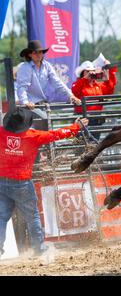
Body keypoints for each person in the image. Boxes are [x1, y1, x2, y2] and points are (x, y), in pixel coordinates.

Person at [0, 107, 88, 258]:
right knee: (32, 216)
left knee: (1, 217)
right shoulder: (32, 135)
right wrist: (76, 127)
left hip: (2, 181)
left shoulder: (1, 133)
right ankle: (39, 249)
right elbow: (57, 134)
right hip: (21, 182)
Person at [15, 40, 81, 131]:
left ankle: (45, 144)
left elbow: (57, 82)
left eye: (40, 52)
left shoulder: (47, 66)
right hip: (30, 105)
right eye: (35, 52)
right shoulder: (25, 67)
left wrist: (70, 95)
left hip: (41, 104)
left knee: (46, 127)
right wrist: (25, 102)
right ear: (29, 54)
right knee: (45, 123)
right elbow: (22, 87)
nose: (38, 54)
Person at [72, 58, 118, 140]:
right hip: (83, 119)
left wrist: (109, 73)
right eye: (88, 71)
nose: (91, 73)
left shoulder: (98, 85)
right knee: (82, 144)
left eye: (92, 71)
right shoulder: (77, 84)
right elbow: (75, 90)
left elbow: (110, 89)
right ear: (83, 73)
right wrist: (85, 78)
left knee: (94, 143)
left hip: (96, 119)